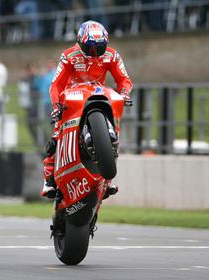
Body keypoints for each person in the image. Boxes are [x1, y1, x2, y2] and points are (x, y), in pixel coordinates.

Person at [40, 20, 133, 199]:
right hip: (72, 97)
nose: (95, 53)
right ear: (81, 42)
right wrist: (56, 105)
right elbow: (56, 85)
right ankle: (48, 179)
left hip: (98, 94)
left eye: (99, 47)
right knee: (55, 135)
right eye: (90, 47)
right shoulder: (69, 55)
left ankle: (107, 178)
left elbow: (124, 79)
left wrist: (124, 93)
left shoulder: (112, 55)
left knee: (115, 123)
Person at [18, 62, 41, 147]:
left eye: (34, 69)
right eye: (31, 69)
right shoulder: (26, 79)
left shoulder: (37, 78)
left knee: (38, 123)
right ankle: (38, 140)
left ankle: (41, 140)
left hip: (37, 105)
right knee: (30, 123)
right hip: (30, 105)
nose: (33, 71)